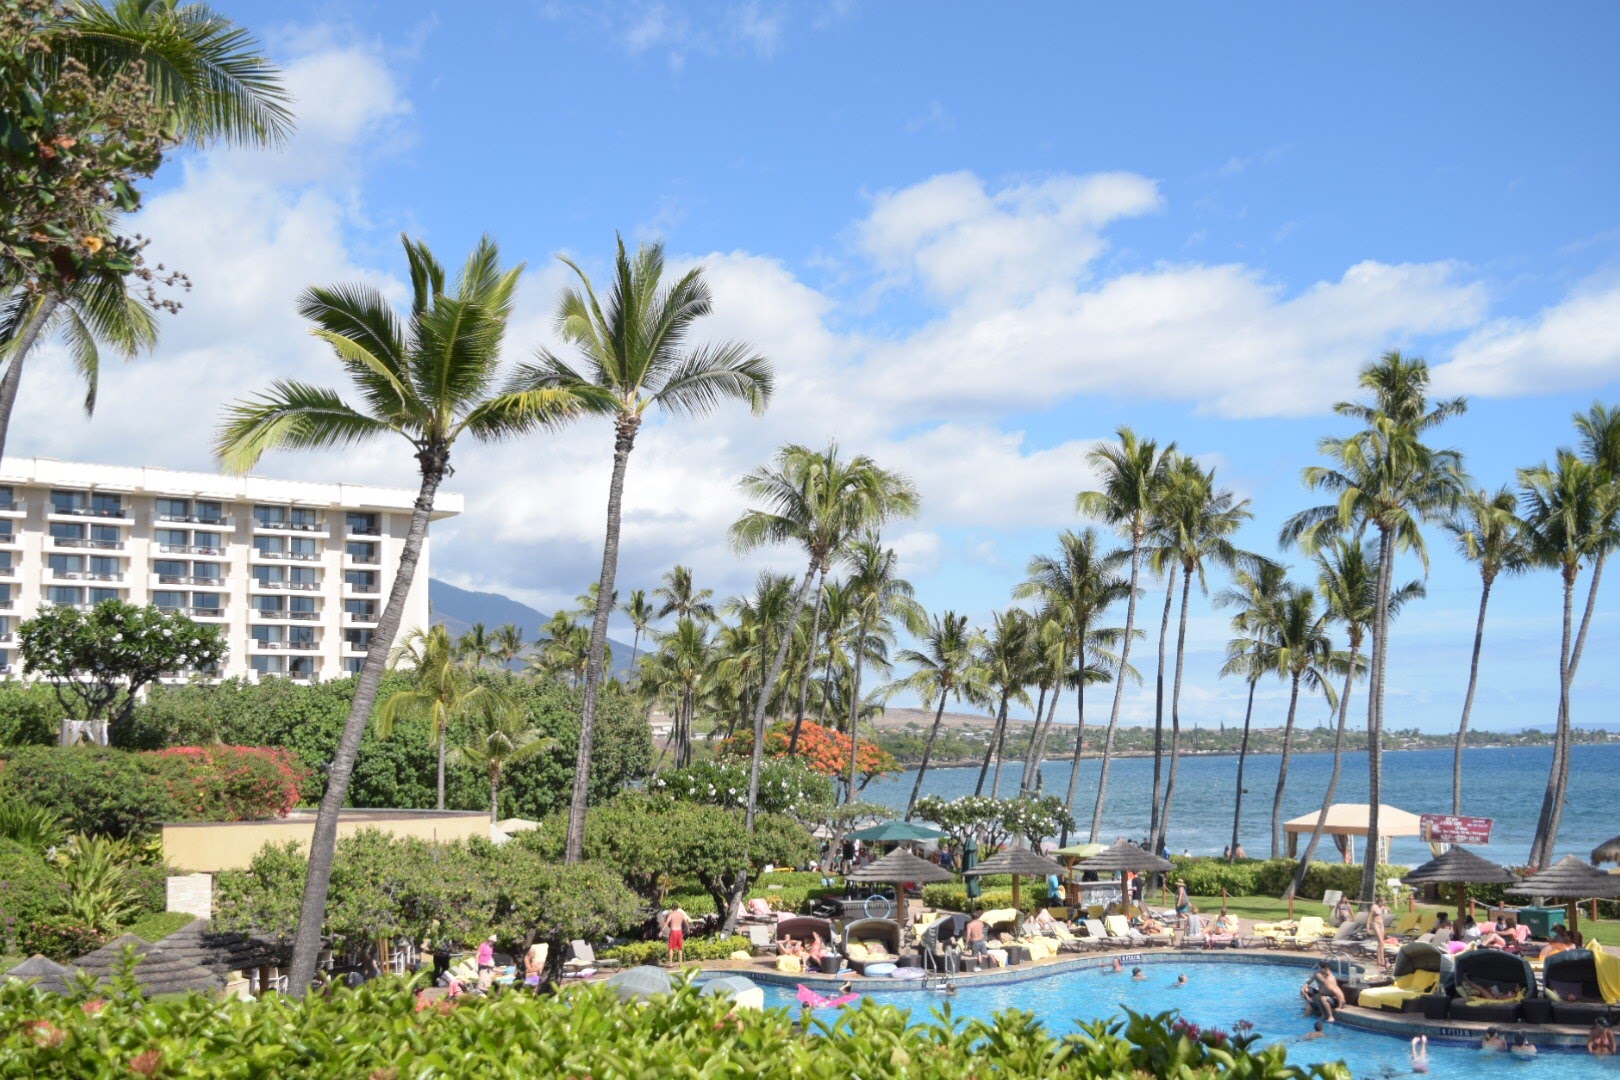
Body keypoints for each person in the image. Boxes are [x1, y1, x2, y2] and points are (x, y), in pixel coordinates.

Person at [1367, 898, 1388, 969]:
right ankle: (1382, 960)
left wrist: (1386, 909)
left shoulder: (1382, 907)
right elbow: (1369, 917)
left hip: (1381, 924)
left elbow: (1387, 911)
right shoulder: (1373, 907)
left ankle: (1379, 960)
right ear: (1379, 901)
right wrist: (1367, 927)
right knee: (1381, 942)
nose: (1383, 904)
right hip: (1375, 924)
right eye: (1382, 903)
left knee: (1381, 943)